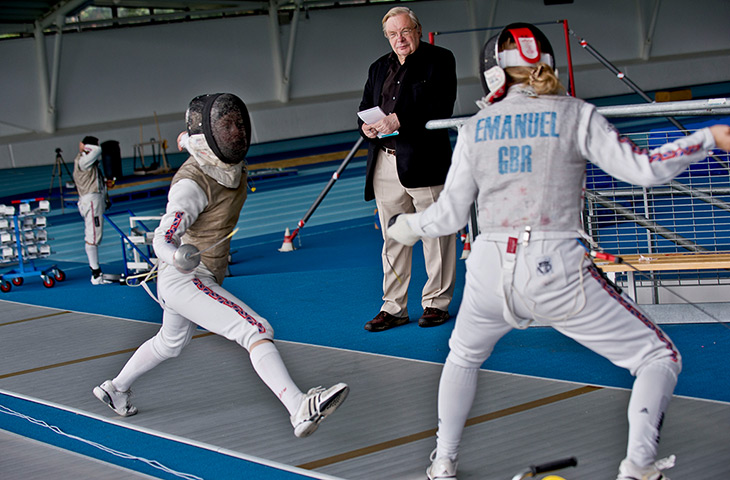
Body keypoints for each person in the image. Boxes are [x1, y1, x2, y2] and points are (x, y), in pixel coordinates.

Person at [387, 23, 730, 480]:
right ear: (547, 63)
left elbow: (447, 218)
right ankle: (639, 466)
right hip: (555, 268)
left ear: (494, 73)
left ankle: (443, 462)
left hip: (488, 267)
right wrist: (707, 137)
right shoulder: (576, 114)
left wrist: (407, 225)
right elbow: (645, 171)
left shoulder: (476, 128)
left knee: (463, 356)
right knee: (657, 358)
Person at [93, 93, 349, 438]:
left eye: (238, 123)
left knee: (170, 343)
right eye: (227, 126)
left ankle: (115, 388)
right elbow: (161, 237)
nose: (237, 132)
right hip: (186, 277)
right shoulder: (191, 185)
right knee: (255, 329)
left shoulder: (216, 158)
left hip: (195, 277)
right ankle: (298, 407)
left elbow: (188, 140)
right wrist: (175, 256)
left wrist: (185, 138)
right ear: (209, 137)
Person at [358, 6, 458, 332]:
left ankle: (436, 303)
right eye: (392, 34)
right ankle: (393, 307)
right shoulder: (377, 68)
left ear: (417, 29)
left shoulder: (440, 60)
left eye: (404, 31)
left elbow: (440, 104)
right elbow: (365, 107)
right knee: (393, 239)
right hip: (385, 161)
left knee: (436, 235)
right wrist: (367, 127)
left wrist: (399, 119)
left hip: (425, 161)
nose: (399, 39)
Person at [72, 135, 111, 285]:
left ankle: (96, 272)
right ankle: (95, 274)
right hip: (90, 201)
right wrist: (83, 146)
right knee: (93, 236)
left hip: (93, 200)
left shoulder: (89, 163)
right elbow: (97, 150)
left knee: (94, 235)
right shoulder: (83, 160)